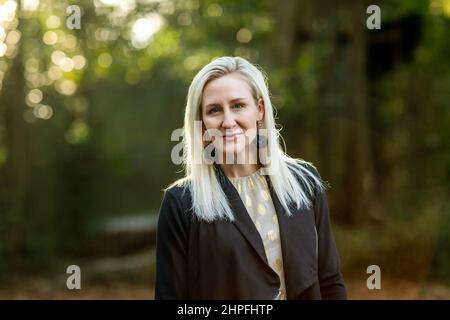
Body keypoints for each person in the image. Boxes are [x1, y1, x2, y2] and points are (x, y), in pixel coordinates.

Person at [155, 56, 347, 300]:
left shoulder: (304, 182)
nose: (227, 121)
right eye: (214, 110)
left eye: (237, 105)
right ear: (202, 123)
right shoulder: (181, 202)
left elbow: (330, 280)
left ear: (259, 109)